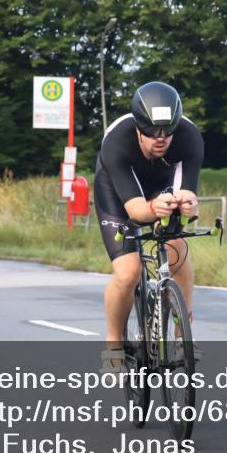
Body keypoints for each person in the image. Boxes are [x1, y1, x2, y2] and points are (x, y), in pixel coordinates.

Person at [94, 81, 204, 372]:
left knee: (177, 244)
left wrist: (190, 206)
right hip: (118, 194)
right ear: (138, 127)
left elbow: (188, 192)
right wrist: (154, 209)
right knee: (129, 272)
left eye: (167, 131)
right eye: (152, 132)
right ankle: (113, 343)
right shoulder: (117, 141)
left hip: (161, 185)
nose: (161, 139)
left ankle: (182, 335)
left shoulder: (189, 137)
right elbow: (136, 211)